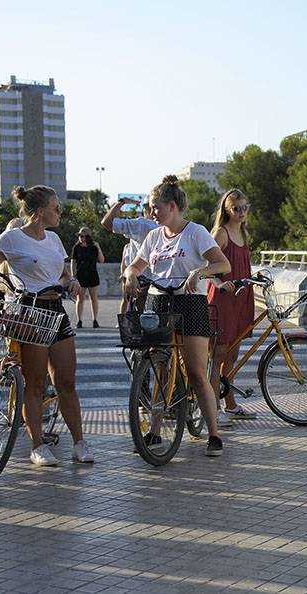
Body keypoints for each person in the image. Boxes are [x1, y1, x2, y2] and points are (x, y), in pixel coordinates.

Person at [0, 185, 94, 467]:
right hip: (28, 311)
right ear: (40, 212)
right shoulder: (12, 238)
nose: (59, 213)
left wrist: (72, 282)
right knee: (35, 384)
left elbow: (63, 274)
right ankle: (37, 445)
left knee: (67, 381)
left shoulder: (54, 239)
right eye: (56, 208)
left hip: (56, 310)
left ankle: (79, 442)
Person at [123, 175, 231, 457]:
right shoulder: (153, 236)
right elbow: (136, 265)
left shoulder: (195, 232)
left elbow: (222, 263)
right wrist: (130, 274)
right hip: (159, 303)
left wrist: (200, 272)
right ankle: (155, 431)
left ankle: (214, 434)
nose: (151, 213)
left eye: (154, 207)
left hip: (190, 303)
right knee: (160, 367)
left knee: (196, 372)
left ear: (171, 206)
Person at [207, 189, 258, 426]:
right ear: (226, 210)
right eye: (236, 208)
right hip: (223, 300)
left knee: (233, 355)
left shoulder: (244, 233)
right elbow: (205, 267)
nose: (241, 212)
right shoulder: (221, 233)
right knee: (218, 355)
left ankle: (230, 404)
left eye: (244, 207)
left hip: (242, 298)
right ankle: (213, 408)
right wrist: (219, 284)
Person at [101, 196, 157, 316]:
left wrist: (122, 202)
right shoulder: (173, 226)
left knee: (139, 325)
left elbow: (107, 222)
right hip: (163, 285)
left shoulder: (141, 224)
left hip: (141, 283)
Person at [71, 227, 104, 328]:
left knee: (93, 298)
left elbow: (102, 260)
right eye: (80, 236)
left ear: (88, 236)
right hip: (80, 276)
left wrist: (98, 248)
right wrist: (73, 276)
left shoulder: (94, 247)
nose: (81, 238)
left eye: (83, 236)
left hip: (92, 274)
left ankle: (95, 320)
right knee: (80, 299)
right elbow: (73, 262)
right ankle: (79, 320)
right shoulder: (76, 247)